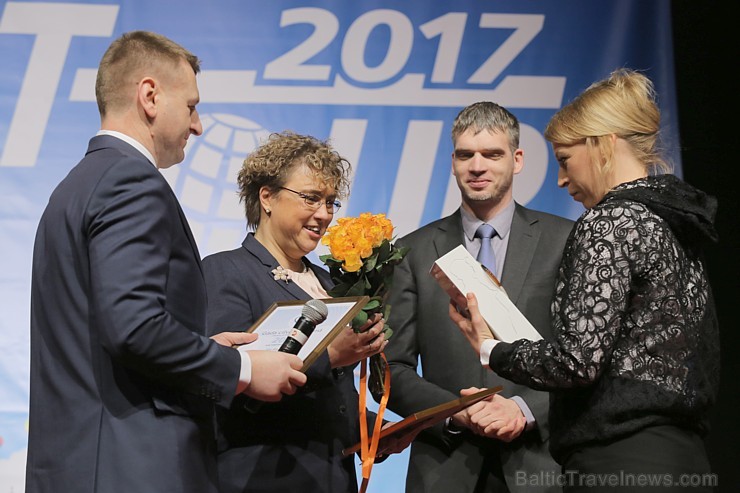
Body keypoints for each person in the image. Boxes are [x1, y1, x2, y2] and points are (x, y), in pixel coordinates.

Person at [26, 31, 306, 493]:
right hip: (130, 468)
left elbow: (106, 332)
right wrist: (245, 370)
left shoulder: (74, 186)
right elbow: (134, 328)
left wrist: (205, 346)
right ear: (150, 96)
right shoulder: (131, 182)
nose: (197, 126)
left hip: (80, 464)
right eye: (192, 106)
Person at [450, 69, 720, 492]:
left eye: (564, 159)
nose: (561, 180)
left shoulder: (610, 221)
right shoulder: (674, 223)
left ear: (603, 144)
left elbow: (577, 360)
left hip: (620, 463)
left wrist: (491, 348)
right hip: (685, 458)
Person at [383, 101, 573, 493]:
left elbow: (585, 359)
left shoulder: (565, 240)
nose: (477, 166)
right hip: (445, 466)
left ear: (517, 160)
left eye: (492, 154)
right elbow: (392, 370)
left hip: (542, 466)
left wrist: (524, 409)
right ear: (452, 161)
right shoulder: (413, 251)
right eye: (466, 154)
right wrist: (459, 412)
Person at [203, 131, 405, 493]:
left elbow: (326, 399)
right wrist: (330, 356)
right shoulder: (226, 272)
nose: (324, 214)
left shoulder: (330, 283)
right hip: (261, 479)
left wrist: (370, 428)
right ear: (267, 197)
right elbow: (231, 388)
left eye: (331, 202)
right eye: (311, 198)